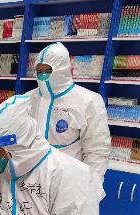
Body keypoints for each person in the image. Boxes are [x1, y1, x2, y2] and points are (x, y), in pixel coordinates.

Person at [25, 42, 110, 179]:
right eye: (39, 72)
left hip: (68, 178)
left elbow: (97, 150)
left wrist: (90, 185)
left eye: (48, 71)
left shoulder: (88, 100)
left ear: (63, 70)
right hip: (33, 177)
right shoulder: (28, 98)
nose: (43, 76)